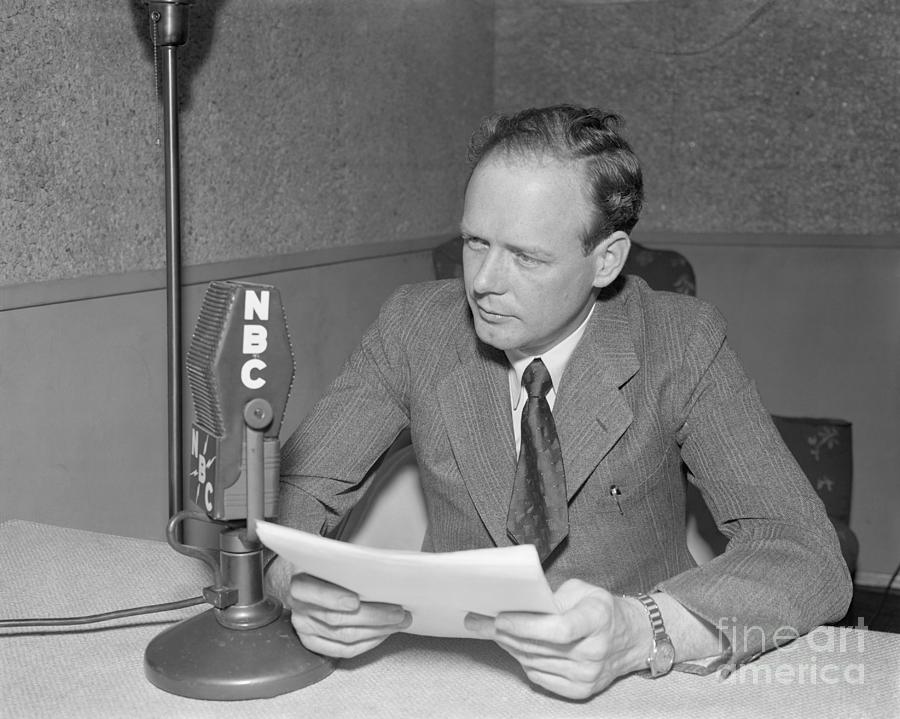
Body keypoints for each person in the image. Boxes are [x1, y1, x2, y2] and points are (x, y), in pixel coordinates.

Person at [272, 104, 851, 700]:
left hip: (633, 685)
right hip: (452, 675)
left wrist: (644, 630)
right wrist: (295, 582)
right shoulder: (412, 326)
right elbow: (289, 492)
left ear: (607, 260)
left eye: (526, 256)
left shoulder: (682, 342)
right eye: (475, 241)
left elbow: (805, 552)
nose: (483, 282)